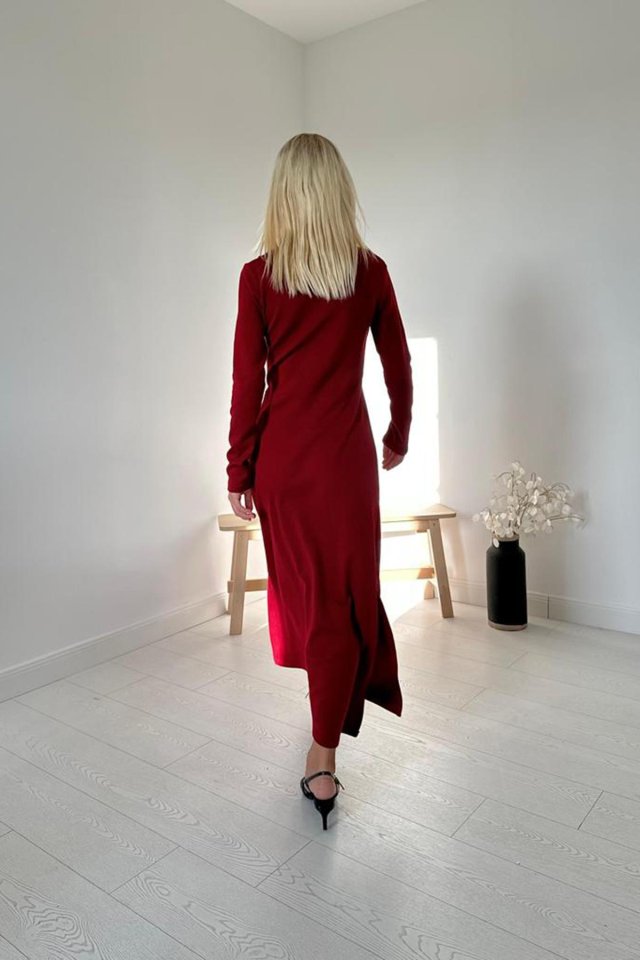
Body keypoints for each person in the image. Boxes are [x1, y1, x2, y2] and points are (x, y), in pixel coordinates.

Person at [226, 133, 413, 829]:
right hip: (344, 464)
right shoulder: (369, 273)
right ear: (339, 192)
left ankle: (322, 749)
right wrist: (398, 434)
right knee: (340, 600)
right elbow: (397, 364)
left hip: (283, 463)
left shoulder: (258, 277)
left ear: (283, 195)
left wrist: (239, 466)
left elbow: (246, 383)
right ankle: (324, 746)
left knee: (313, 600)